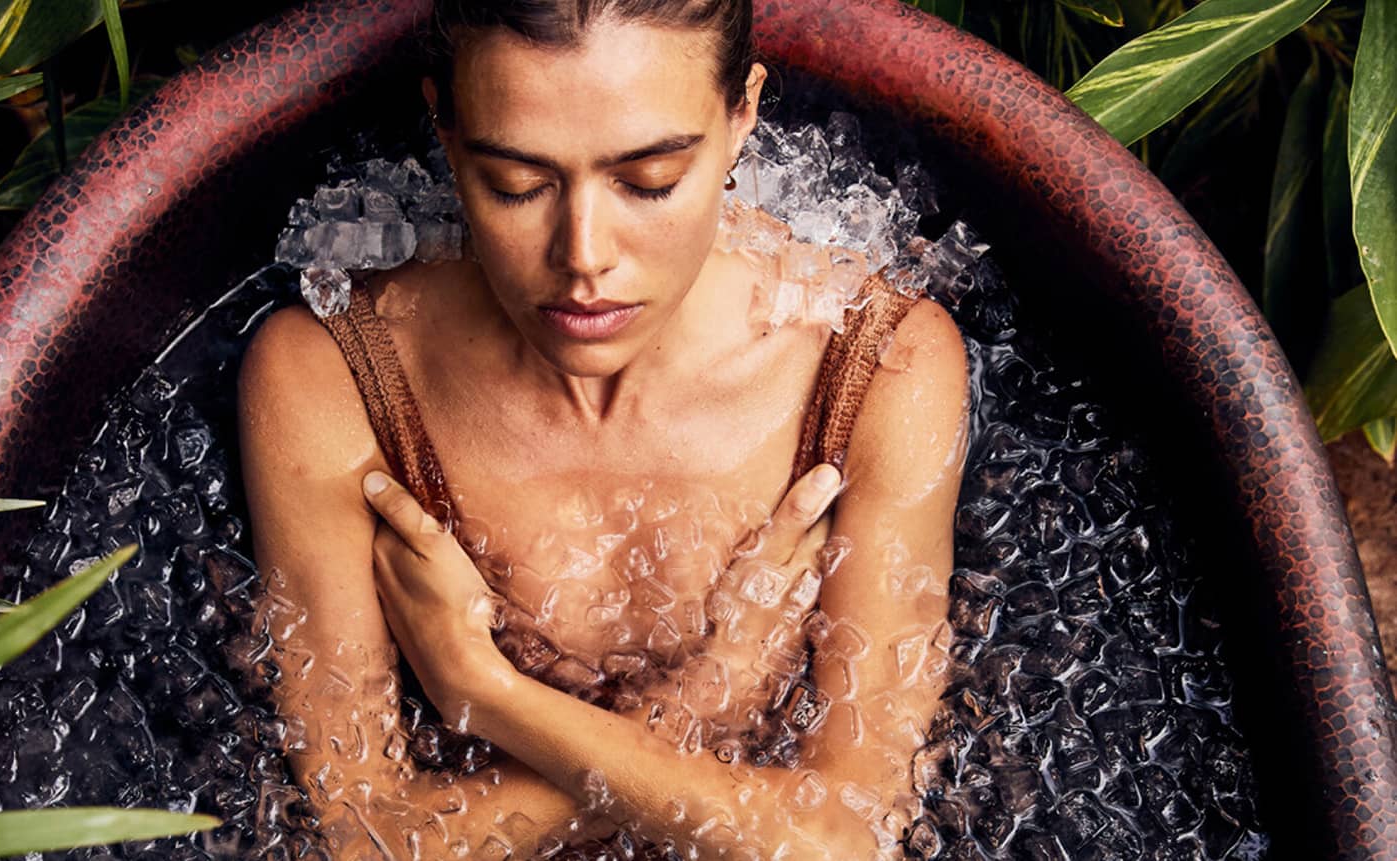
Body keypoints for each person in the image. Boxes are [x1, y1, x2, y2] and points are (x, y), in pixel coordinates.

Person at [238, 0, 970, 856]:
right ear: (444, 126)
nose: (584, 254)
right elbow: (353, 841)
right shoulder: (330, 377)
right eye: (518, 184)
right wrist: (705, 707)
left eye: (650, 180)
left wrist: (489, 692)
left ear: (743, 116)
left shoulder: (882, 368)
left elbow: (855, 839)